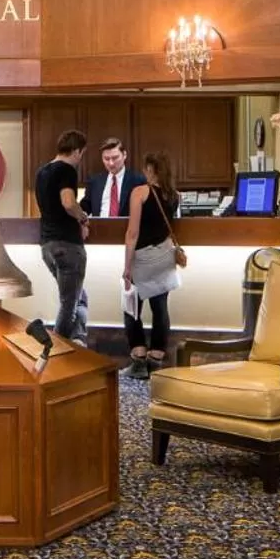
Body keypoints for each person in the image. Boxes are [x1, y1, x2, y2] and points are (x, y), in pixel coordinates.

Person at [121, 152, 182, 379]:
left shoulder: (140, 192)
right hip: (165, 255)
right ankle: (156, 359)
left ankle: (138, 361)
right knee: (160, 307)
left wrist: (127, 266)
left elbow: (132, 232)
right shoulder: (174, 196)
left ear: (150, 169)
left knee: (131, 306)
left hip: (143, 258)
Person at [35, 129, 91, 345]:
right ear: (77, 151)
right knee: (69, 303)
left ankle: (77, 343)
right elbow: (68, 203)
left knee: (78, 297)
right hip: (68, 244)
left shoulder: (42, 172)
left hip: (47, 246)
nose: (80, 159)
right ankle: (56, 349)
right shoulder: (67, 169)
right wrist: (83, 218)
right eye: (82, 154)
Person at [81, 137, 147, 220]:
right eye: (106, 159)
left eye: (115, 158)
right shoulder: (95, 181)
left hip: (127, 229)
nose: (111, 163)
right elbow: (86, 206)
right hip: (99, 229)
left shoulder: (138, 180)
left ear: (124, 155)